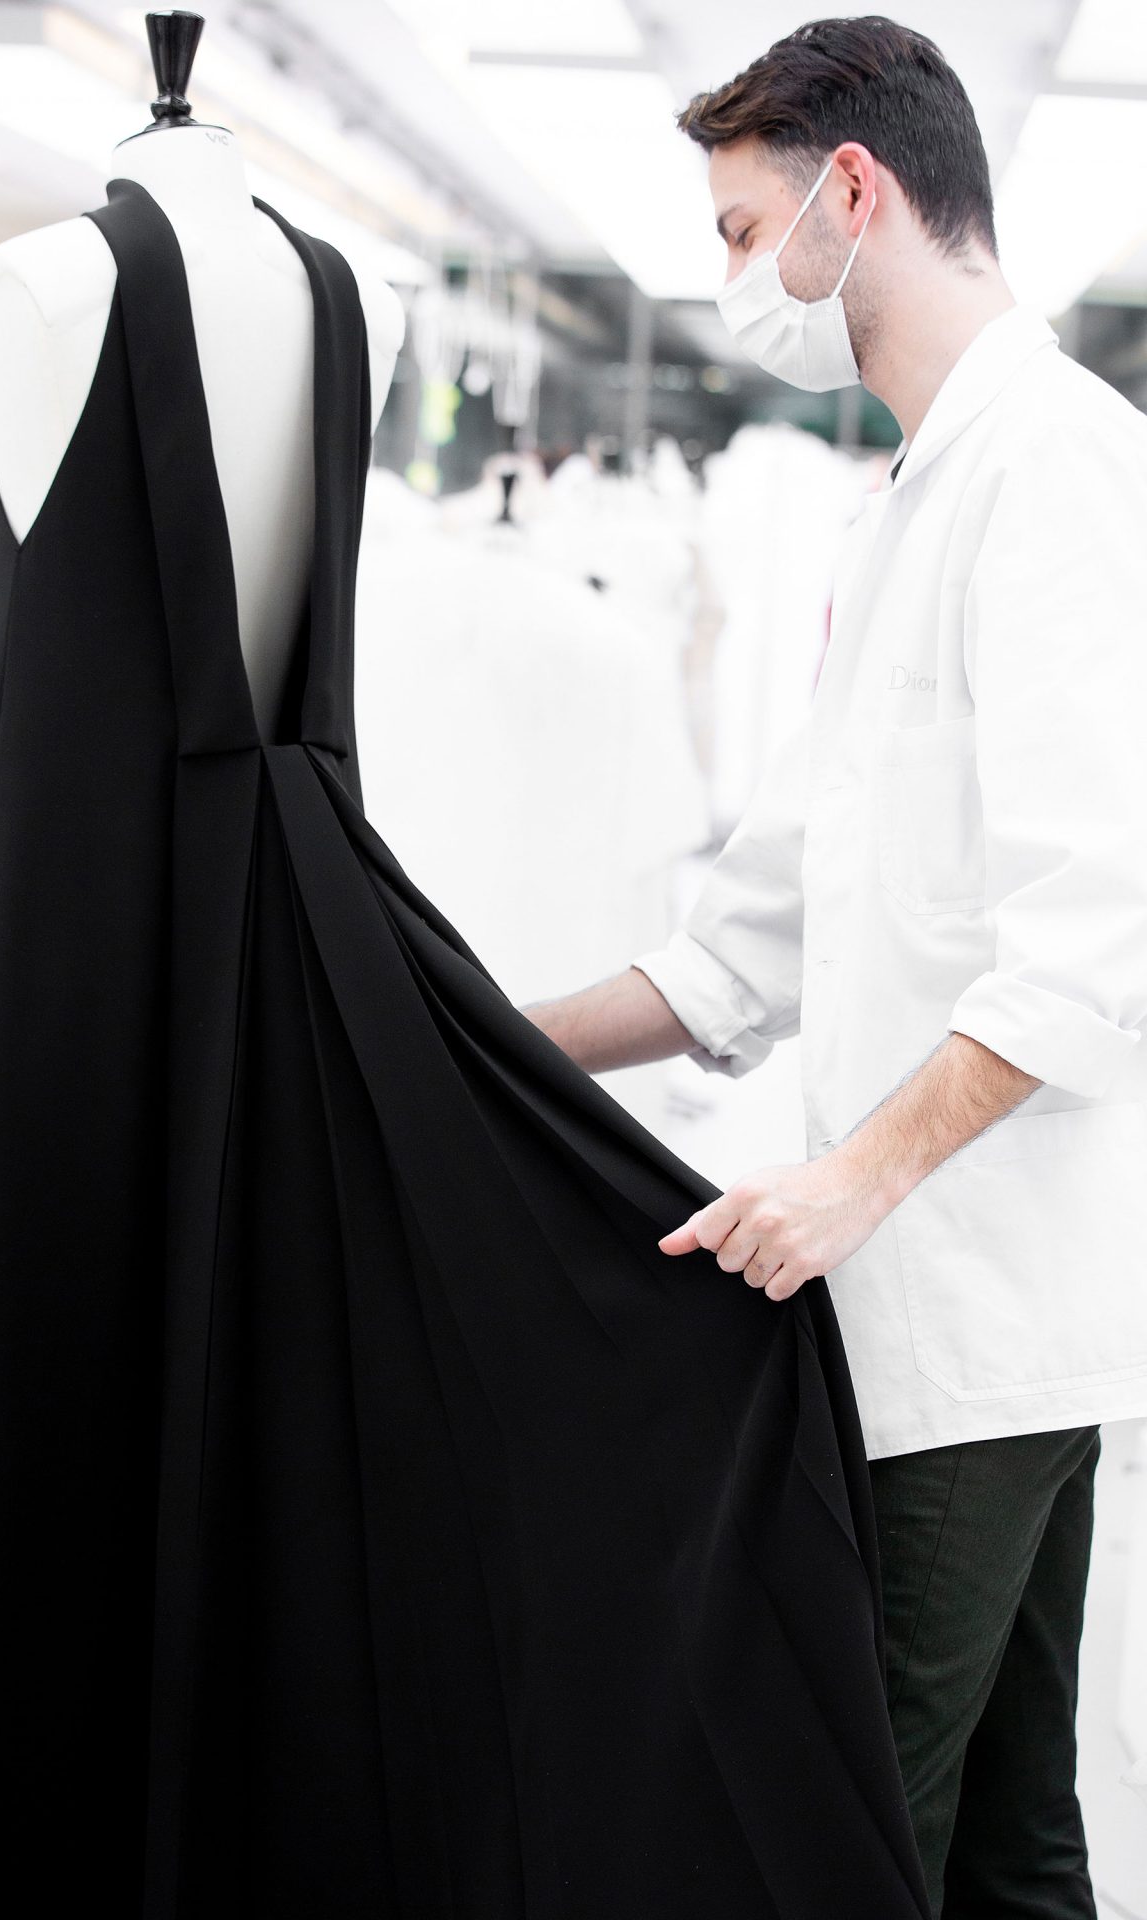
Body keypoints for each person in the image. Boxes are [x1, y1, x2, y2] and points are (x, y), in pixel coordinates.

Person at [524, 16, 1147, 1916]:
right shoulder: (909, 510)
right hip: (955, 1321)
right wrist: (474, 1040)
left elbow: (1093, 940)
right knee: (1012, 1853)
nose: (736, 279)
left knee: (845, 1831)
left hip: (975, 1310)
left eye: (742, 230)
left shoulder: (1058, 475)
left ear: (852, 195)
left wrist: (847, 1184)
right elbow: (755, 939)